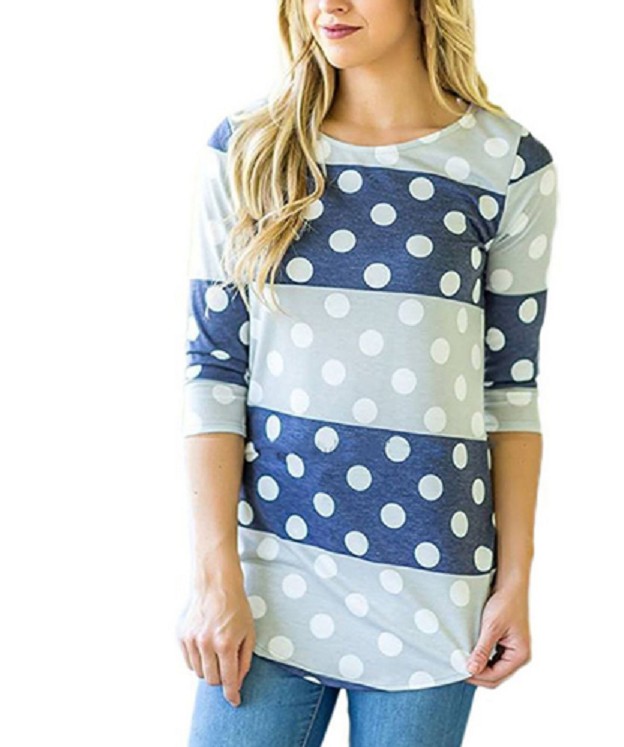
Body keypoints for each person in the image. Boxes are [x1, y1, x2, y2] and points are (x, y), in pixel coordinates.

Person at [176, 0, 559, 744]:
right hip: (268, 579)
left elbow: (510, 391)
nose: (331, 4)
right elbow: (213, 370)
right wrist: (214, 574)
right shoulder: (248, 148)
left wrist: (515, 579)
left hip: (434, 589)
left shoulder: (508, 165)